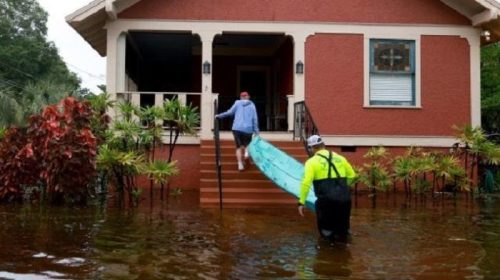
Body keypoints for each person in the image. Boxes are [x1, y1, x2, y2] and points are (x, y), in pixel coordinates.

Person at [298, 135, 356, 242]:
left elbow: (306, 183)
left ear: (312, 148)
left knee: (327, 233)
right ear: (323, 145)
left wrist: (301, 202)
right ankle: (344, 255)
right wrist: (341, 188)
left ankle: (327, 256)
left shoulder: (311, 162)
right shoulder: (340, 158)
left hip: (326, 202)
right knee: (343, 232)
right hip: (345, 200)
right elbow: (352, 176)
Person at [215, 91, 259, 171]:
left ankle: (240, 165)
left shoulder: (237, 103)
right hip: (248, 129)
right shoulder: (252, 105)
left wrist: (219, 116)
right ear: (248, 97)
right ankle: (246, 154)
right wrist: (256, 131)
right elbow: (255, 119)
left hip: (237, 128)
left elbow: (230, 112)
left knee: (238, 147)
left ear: (241, 97)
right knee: (247, 145)